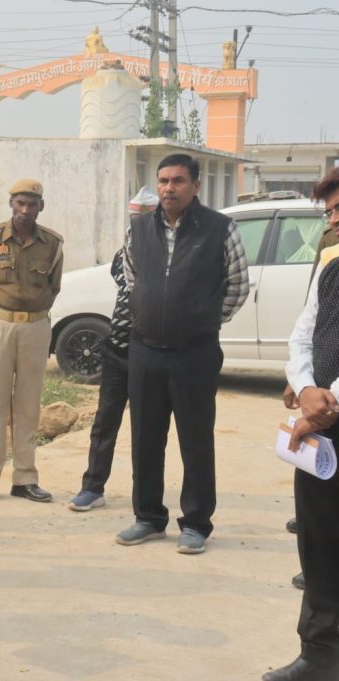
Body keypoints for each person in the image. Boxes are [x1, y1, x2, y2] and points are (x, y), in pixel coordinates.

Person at [116, 153, 249, 554]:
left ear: (196, 186)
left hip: (195, 354)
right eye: (163, 181)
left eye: (177, 181)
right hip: (146, 351)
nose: (168, 188)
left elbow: (238, 285)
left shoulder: (219, 229)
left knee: (195, 441)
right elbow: (132, 278)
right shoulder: (139, 229)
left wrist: (202, 320)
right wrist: (148, 313)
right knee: (145, 439)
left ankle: (195, 523)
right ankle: (148, 517)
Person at [263, 172, 339, 681]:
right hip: (323, 427)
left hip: (326, 413)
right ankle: (320, 653)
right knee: (318, 541)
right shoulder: (331, 263)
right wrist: (306, 386)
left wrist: (325, 403)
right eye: (329, 212)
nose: (333, 220)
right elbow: (303, 333)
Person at [0, 179, 64, 505]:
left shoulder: (52, 244)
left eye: (31, 204)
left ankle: (25, 478)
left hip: (36, 327)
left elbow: (53, 286)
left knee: (28, 403)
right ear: (11, 204)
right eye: (20, 203)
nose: (25, 210)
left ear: (40, 206)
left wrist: (34, 312)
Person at [68, 247, 131, 511]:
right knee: (105, 421)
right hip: (117, 350)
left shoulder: (168, 253)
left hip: (150, 352)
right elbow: (120, 280)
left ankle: (146, 495)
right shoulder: (123, 254)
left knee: (147, 428)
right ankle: (93, 488)